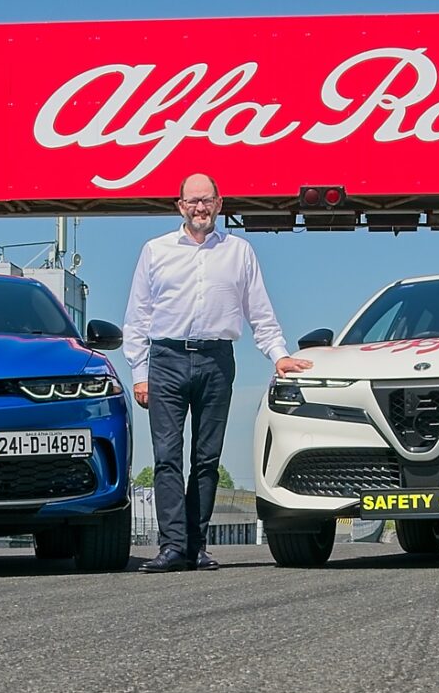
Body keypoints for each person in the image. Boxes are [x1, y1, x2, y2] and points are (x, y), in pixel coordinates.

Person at [123, 173, 311, 572]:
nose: (200, 208)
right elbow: (137, 317)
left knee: (206, 458)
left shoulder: (239, 252)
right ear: (180, 206)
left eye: (207, 201)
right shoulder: (155, 251)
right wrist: (140, 372)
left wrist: (278, 355)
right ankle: (172, 546)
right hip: (166, 360)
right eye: (192, 201)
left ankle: (197, 545)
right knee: (167, 457)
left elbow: (259, 312)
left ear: (220, 204)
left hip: (216, 360)